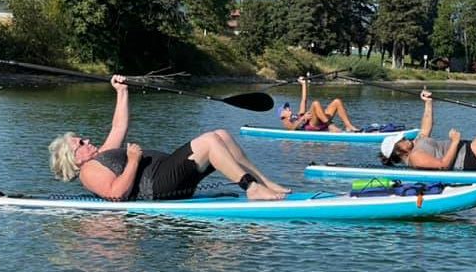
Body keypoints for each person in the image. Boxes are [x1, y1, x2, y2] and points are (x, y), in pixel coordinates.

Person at [49, 75, 289, 201]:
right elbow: (116, 195)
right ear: (74, 159)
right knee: (208, 141)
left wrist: (122, 91)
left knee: (221, 135)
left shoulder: (101, 156)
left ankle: (263, 183)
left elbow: (118, 125)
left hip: (166, 174)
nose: (87, 140)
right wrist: (133, 161)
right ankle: (250, 188)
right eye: (80, 143)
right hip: (159, 187)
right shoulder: (89, 172)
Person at [278, 76, 360, 132]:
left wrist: (303, 84)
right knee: (315, 103)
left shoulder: (299, 113)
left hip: (321, 122)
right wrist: (303, 118)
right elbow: (292, 129)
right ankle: (330, 125)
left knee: (337, 101)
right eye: (285, 108)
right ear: (282, 115)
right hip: (313, 125)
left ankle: (348, 126)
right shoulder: (286, 121)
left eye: (287, 107)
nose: (288, 108)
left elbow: (304, 99)